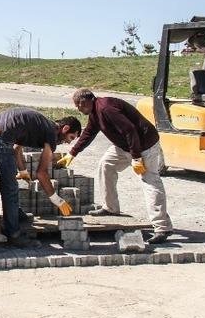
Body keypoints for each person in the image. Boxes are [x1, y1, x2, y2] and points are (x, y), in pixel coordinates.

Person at [58, 89, 173, 243]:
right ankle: (110, 207)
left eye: (77, 106)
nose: (78, 109)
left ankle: (162, 228)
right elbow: (89, 133)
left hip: (144, 146)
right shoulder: (95, 112)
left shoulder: (106, 108)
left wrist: (136, 157)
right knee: (106, 165)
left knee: (150, 182)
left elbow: (130, 130)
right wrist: (72, 153)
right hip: (124, 146)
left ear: (84, 102)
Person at [0, 108, 82, 246]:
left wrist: (23, 171)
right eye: (71, 138)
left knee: (9, 181)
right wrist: (56, 199)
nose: (69, 143)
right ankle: (14, 235)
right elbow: (41, 173)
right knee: (10, 189)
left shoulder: (41, 126)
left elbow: (16, 148)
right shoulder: (50, 134)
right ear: (66, 128)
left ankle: (15, 214)